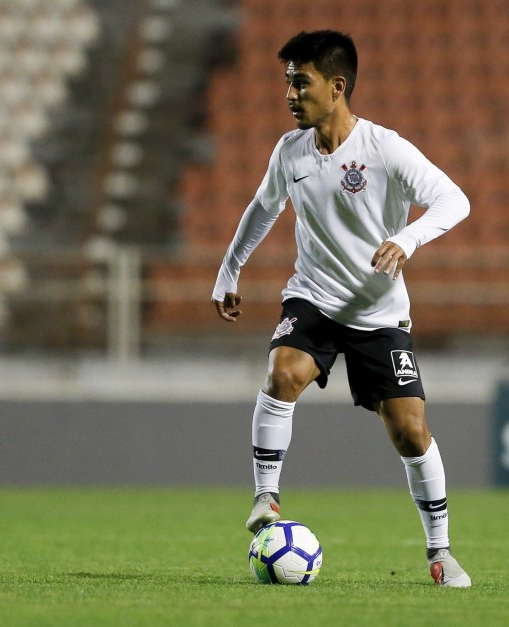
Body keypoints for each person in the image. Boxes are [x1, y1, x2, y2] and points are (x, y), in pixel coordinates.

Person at [211, 31, 471, 587]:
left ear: (337, 86)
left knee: (410, 432)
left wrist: (408, 238)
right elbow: (262, 208)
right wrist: (230, 269)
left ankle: (441, 552)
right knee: (284, 372)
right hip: (315, 298)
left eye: (299, 82)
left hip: (378, 311)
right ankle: (265, 498)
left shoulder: (384, 148)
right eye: (286, 82)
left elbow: (455, 199)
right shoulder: (290, 150)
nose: (289, 93)